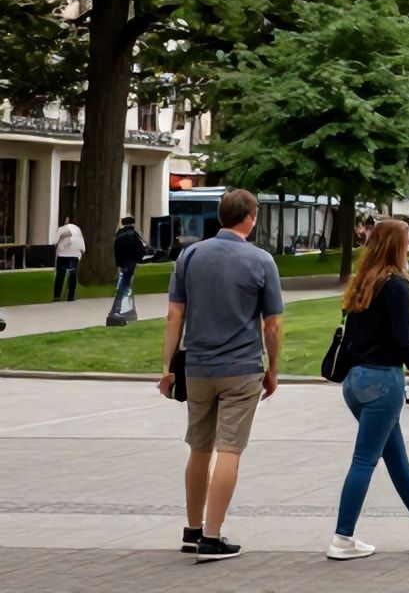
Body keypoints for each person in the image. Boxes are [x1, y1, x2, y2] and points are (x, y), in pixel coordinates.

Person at [158, 188, 283, 562]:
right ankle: (212, 537)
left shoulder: (190, 256)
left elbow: (174, 316)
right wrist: (273, 368)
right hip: (241, 368)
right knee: (229, 448)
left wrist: (167, 367)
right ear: (250, 218)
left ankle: (193, 529)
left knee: (199, 447)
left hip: (197, 366)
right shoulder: (261, 260)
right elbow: (272, 324)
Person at [327, 219, 409, 560]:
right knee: (364, 459)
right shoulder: (396, 284)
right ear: (397, 246)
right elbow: (404, 339)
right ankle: (342, 537)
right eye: (408, 241)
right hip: (382, 381)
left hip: (355, 380)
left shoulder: (363, 282)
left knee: (394, 455)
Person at [114, 214, 147, 306]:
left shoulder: (119, 234)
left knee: (124, 278)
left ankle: (121, 298)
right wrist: (141, 255)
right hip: (130, 260)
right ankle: (121, 300)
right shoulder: (133, 234)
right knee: (126, 280)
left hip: (122, 261)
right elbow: (138, 247)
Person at [53, 214, 83, 302]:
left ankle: (57, 295)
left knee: (60, 275)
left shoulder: (62, 229)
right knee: (72, 275)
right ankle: (71, 295)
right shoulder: (78, 229)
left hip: (63, 255)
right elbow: (81, 244)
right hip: (74, 254)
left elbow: (55, 242)